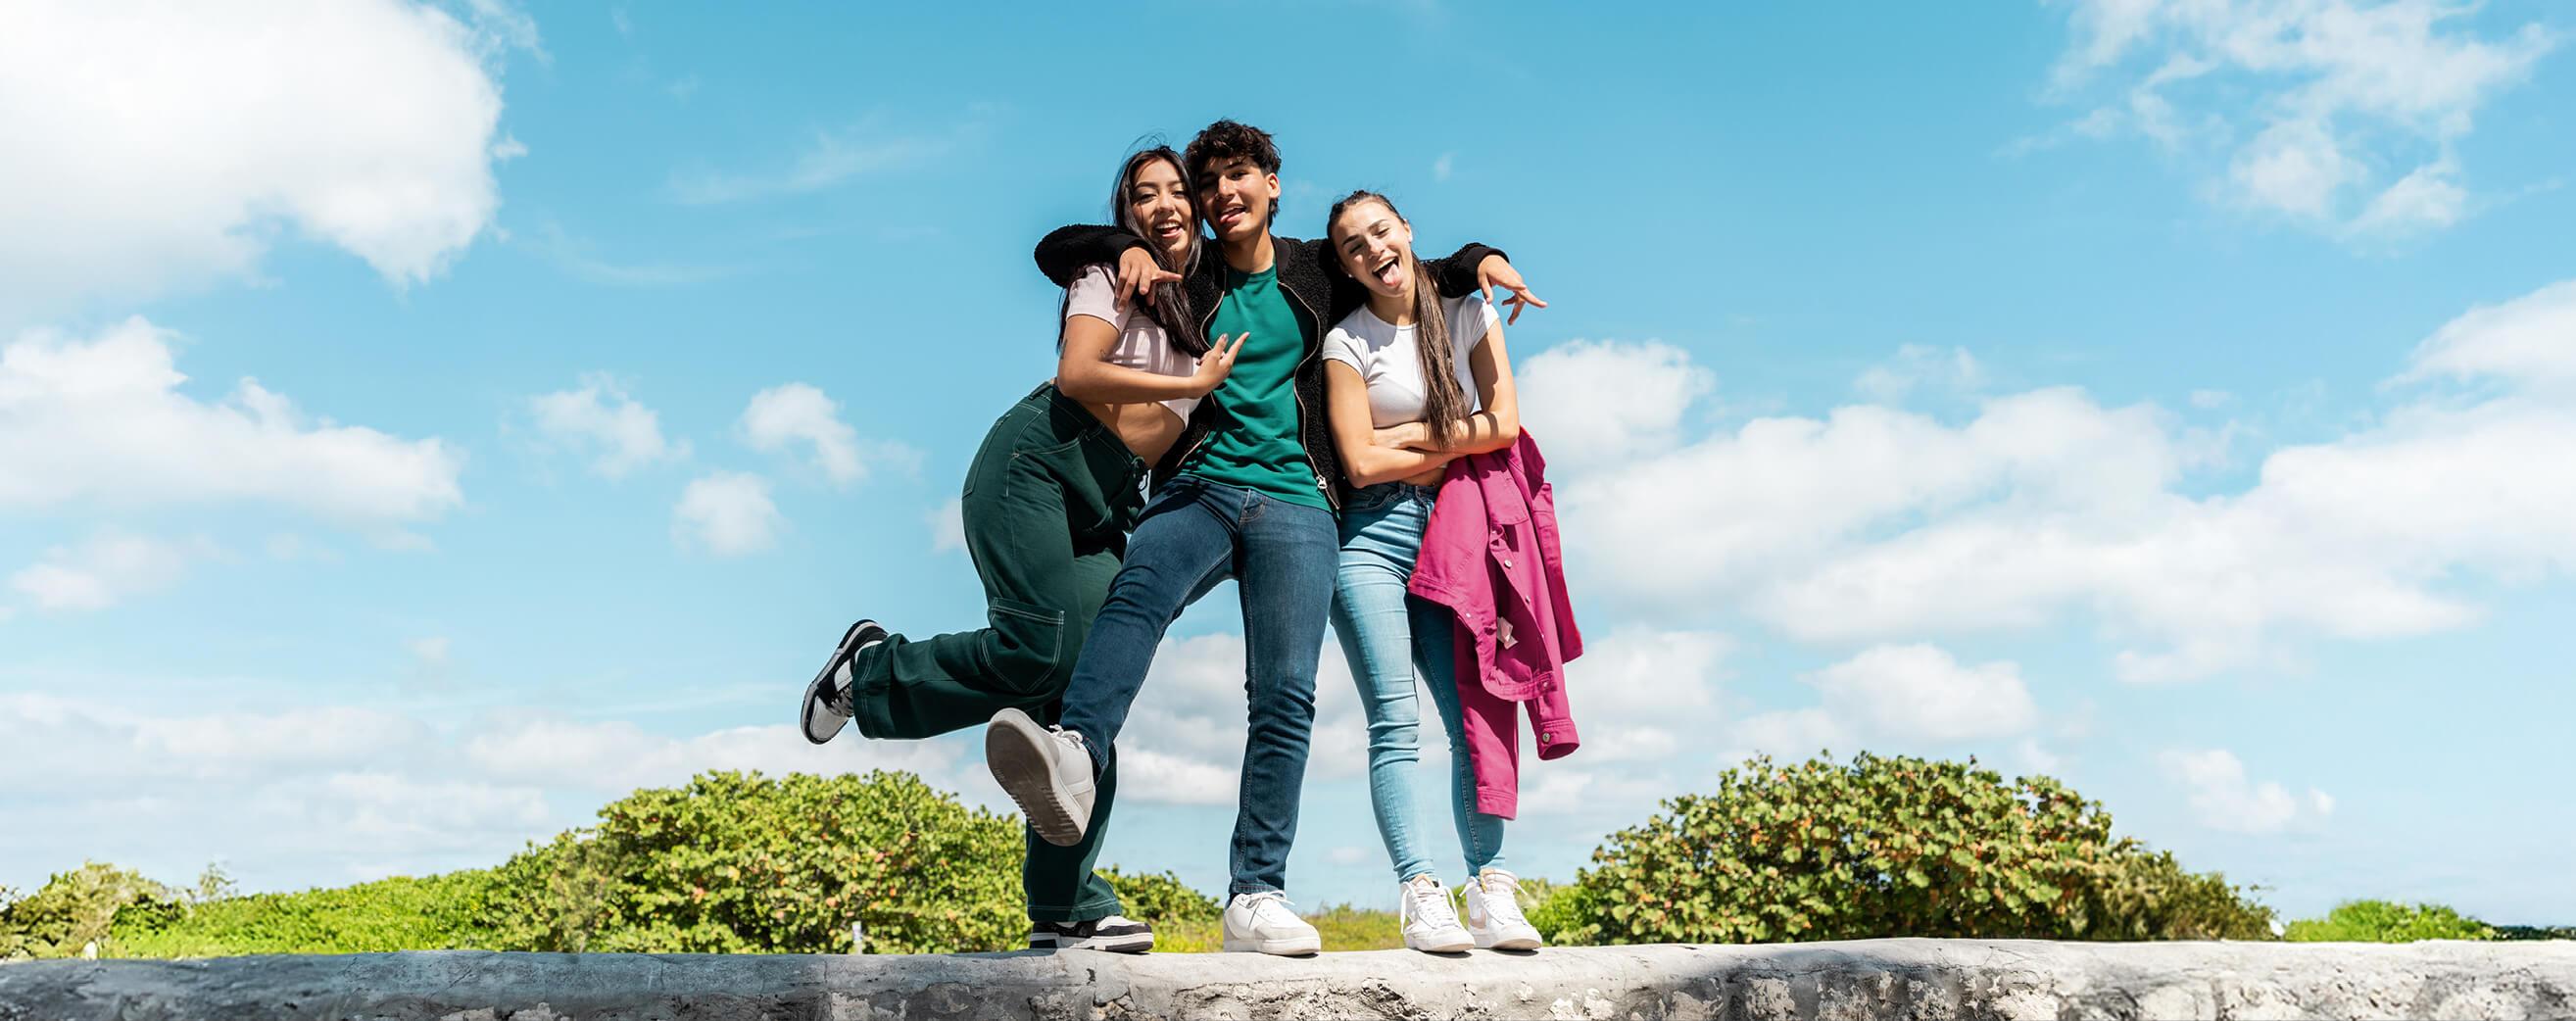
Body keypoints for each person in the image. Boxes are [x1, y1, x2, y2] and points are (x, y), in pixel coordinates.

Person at [981, 120, 1544, 955]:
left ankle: (1255, 895)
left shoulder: (1319, 269)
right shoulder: (1188, 268)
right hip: (1200, 484)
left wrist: (1485, 259)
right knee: (1135, 598)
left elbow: (1421, 271)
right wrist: (1117, 243)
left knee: (1283, 697)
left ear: (1271, 184)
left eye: (1235, 178)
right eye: (1207, 187)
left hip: (1299, 502)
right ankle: (1072, 752)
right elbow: (1056, 248)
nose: (1218, 197)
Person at [796, 145, 1244, 953]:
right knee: (1036, 644)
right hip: (1036, 461)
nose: (1165, 205)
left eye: (1178, 191)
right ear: (1127, 212)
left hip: (1109, 500)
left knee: (1084, 698)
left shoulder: (1203, 299)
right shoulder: (1112, 272)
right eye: (1144, 196)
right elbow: (1077, 371)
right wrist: (1182, 373)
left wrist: (1468, 266)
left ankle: (1065, 906)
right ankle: (869, 672)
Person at [1319, 190, 1544, 953]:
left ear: (1406, 231)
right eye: (1353, 246)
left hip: (1450, 531)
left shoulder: (1467, 313)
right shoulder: (1346, 342)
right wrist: (1455, 435)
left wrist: (1408, 435)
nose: (1372, 250)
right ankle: (1421, 891)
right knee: (1395, 719)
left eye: (1380, 231)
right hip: (1371, 539)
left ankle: (1491, 888)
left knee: (1471, 718)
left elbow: (1505, 424)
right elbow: (1357, 461)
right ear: (1345, 265)